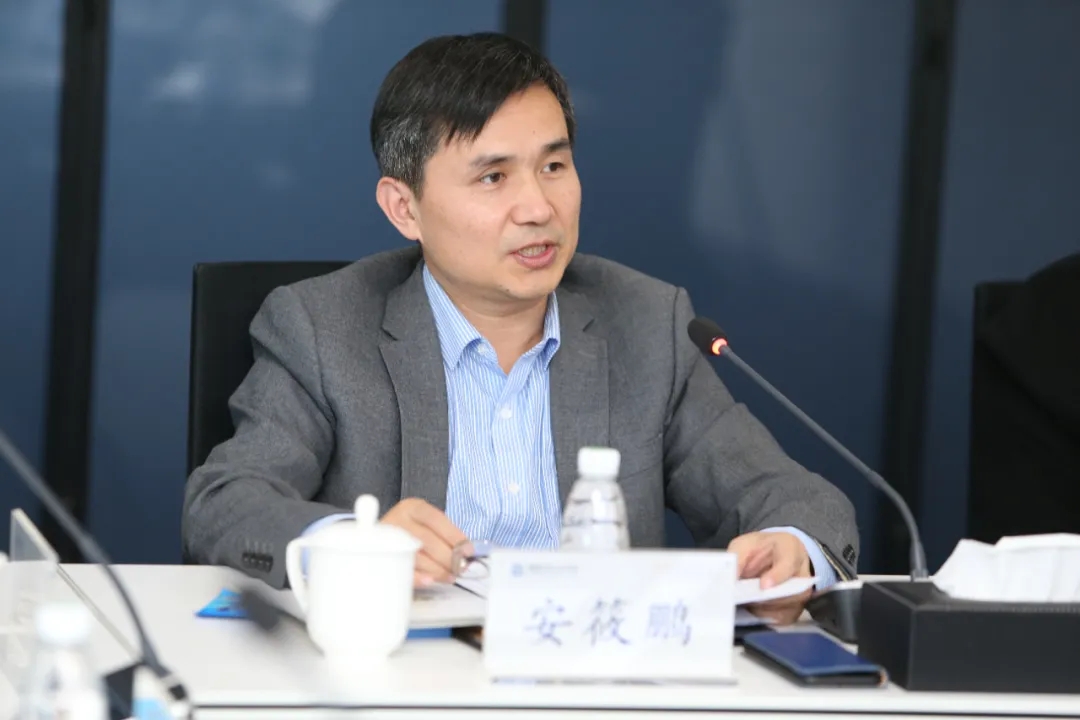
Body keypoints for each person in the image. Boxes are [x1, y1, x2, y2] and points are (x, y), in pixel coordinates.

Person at [182, 32, 859, 624]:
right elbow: (225, 502)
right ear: (404, 208)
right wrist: (351, 545)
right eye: (493, 177)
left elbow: (795, 498)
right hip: (402, 681)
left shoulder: (647, 325)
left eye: (553, 166)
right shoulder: (323, 326)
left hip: (593, 684)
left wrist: (792, 548)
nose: (538, 207)